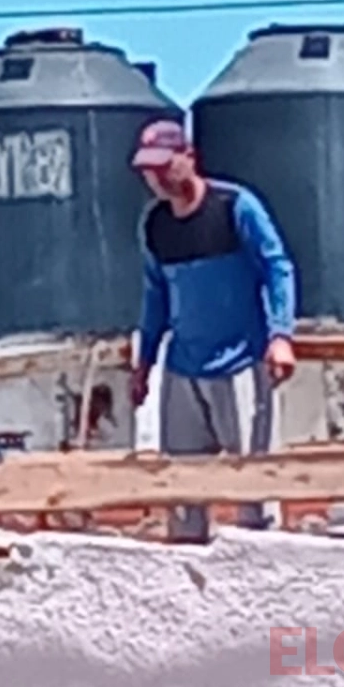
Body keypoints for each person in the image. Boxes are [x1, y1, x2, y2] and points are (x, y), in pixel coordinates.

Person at [128, 120, 297, 542]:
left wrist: (280, 335)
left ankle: (266, 570)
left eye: (165, 166)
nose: (157, 178)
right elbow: (156, 295)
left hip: (240, 364)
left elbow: (277, 267)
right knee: (182, 488)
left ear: (189, 158)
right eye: (149, 170)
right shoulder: (155, 225)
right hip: (183, 367)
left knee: (253, 484)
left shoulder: (235, 207)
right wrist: (144, 362)